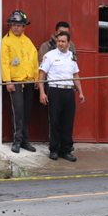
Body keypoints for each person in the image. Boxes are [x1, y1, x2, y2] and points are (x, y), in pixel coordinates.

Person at [38, 30, 85, 162]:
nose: (60, 44)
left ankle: (66, 150)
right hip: (55, 91)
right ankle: (54, 150)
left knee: (68, 123)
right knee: (54, 121)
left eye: (63, 41)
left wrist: (80, 92)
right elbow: (41, 75)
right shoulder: (49, 56)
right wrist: (42, 92)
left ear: (68, 43)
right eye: (59, 41)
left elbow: (75, 76)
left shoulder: (72, 56)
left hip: (69, 92)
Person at [0, 10, 39, 154]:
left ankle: (24, 141)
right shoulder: (6, 41)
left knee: (27, 111)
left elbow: (34, 60)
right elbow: (4, 62)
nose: (16, 27)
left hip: (28, 81)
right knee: (18, 111)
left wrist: (36, 79)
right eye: (14, 25)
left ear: (24, 27)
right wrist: (8, 81)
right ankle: (16, 141)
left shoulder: (27, 41)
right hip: (15, 82)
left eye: (19, 25)